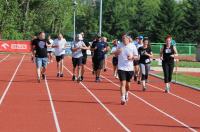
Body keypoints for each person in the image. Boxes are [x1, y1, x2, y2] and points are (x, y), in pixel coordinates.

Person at [114, 34, 138, 105]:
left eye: (125, 39)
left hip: (130, 68)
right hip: (121, 67)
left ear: (128, 39)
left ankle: (127, 92)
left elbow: (137, 56)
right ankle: (123, 98)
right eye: (123, 39)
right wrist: (118, 52)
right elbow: (115, 55)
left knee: (128, 85)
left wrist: (132, 57)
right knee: (122, 83)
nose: (124, 40)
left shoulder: (132, 45)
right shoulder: (119, 45)